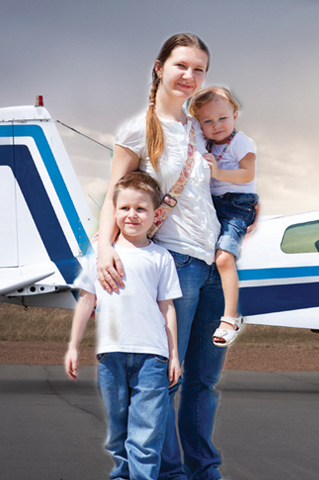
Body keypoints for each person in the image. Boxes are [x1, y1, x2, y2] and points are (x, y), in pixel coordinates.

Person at [96, 33, 227, 480]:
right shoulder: (137, 128)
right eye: (181, 66)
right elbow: (116, 197)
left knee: (204, 382)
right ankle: (171, 474)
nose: (190, 77)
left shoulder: (200, 126)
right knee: (165, 379)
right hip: (173, 265)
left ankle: (203, 470)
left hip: (213, 266)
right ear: (159, 67)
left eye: (199, 69)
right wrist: (103, 251)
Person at [65, 171, 182, 480]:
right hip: (111, 355)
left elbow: (167, 307)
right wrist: (73, 347)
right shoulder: (100, 259)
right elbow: (86, 301)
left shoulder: (161, 258)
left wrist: (173, 355)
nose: (132, 215)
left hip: (152, 358)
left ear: (155, 214)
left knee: (146, 434)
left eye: (141, 209)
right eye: (125, 208)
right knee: (118, 434)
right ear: (113, 211)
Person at [189, 86, 259, 347]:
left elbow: (247, 174)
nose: (216, 125)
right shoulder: (208, 144)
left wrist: (217, 173)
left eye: (222, 118)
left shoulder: (240, 141)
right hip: (215, 204)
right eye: (207, 121)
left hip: (237, 205)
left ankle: (231, 317)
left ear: (235, 115)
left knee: (224, 257)